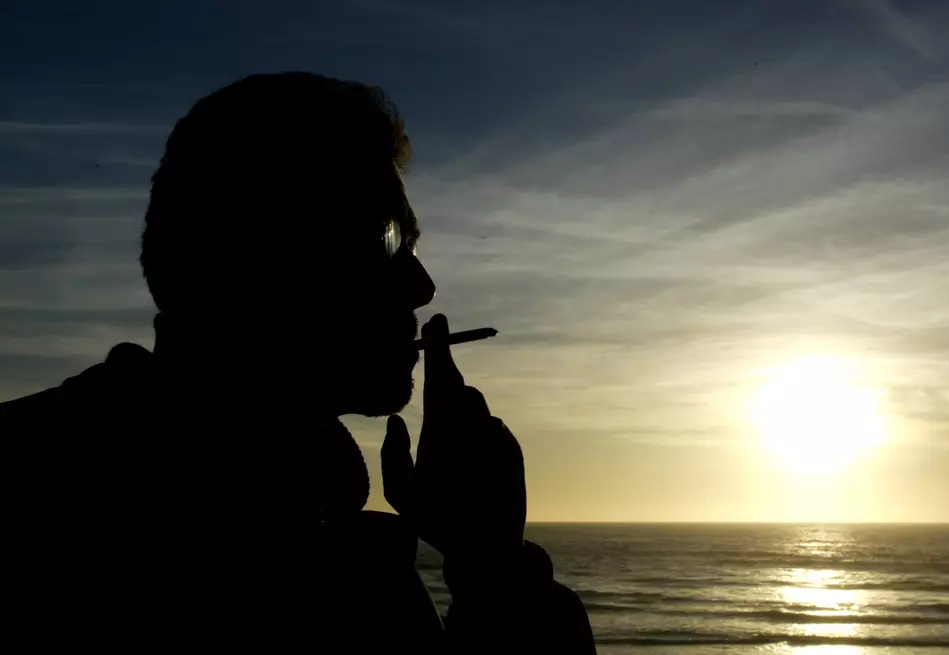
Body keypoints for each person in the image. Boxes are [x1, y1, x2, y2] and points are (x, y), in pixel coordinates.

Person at [2, 72, 595, 653]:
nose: (422, 286)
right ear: (253, 249)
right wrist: (495, 569)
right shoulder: (55, 512)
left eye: (412, 248)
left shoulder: (323, 532)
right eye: (386, 239)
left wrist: (483, 557)